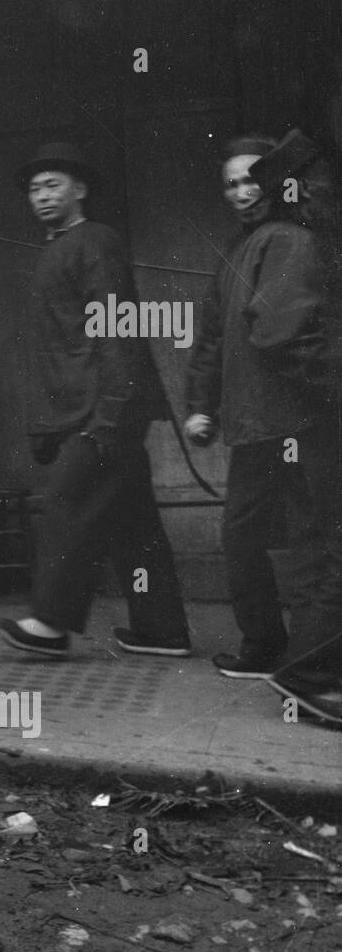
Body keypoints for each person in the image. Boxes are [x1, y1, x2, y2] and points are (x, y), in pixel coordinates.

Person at [0, 143, 191, 660]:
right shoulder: (55, 249)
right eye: (34, 189)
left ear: (79, 190)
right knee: (134, 525)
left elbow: (118, 329)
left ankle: (51, 624)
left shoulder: (95, 242)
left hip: (105, 410)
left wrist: (112, 412)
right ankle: (162, 630)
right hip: (84, 409)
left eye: (52, 184)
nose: (41, 196)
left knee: (65, 501)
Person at [185, 134, 319, 680]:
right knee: (241, 536)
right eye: (231, 183)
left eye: (251, 179)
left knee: (313, 539)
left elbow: (289, 335)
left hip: (299, 419)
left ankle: (313, 665)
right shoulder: (231, 255)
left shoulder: (289, 240)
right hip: (252, 425)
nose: (243, 192)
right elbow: (213, 339)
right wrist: (201, 406)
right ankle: (263, 645)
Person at [244, 131, 342, 724]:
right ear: (301, 186)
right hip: (323, 415)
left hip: (320, 413)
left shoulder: (309, 239)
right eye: (328, 177)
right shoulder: (295, 241)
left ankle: (313, 670)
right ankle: (308, 671)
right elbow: (280, 334)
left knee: (326, 543)